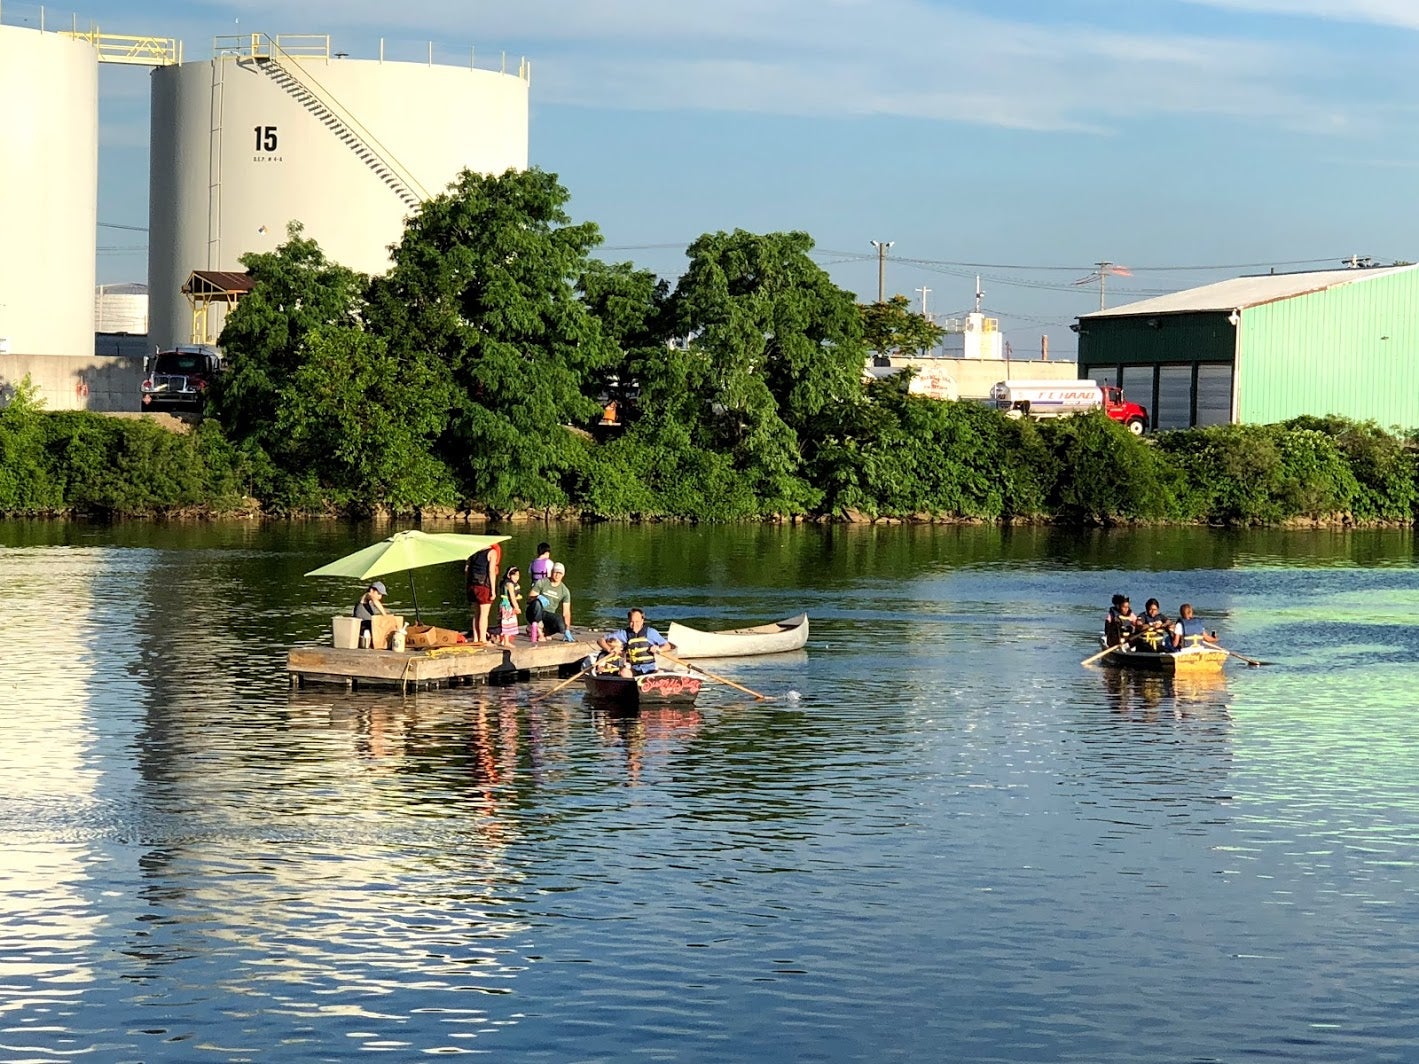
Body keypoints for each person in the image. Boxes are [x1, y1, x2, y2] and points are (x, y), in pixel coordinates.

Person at [600, 607, 674, 675]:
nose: (634, 625)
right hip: (633, 669)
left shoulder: (651, 633)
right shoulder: (624, 633)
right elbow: (600, 640)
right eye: (632, 622)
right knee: (624, 672)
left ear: (642, 621)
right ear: (628, 621)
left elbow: (668, 646)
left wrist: (659, 649)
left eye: (637, 622)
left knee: (660, 673)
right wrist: (609, 649)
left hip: (650, 669)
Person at [465, 542, 502, 645]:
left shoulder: (473, 552)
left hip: (472, 585)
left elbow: (467, 569)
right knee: (484, 614)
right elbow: (491, 571)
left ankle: (476, 638)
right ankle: (483, 640)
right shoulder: (492, 552)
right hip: (484, 586)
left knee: (476, 614)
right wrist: (493, 590)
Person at [528, 561, 575, 641]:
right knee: (537, 603)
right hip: (534, 611)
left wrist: (567, 629)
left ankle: (544, 632)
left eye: (560, 573)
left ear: (563, 575)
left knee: (561, 625)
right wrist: (538, 597)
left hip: (548, 614)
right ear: (552, 572)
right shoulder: (542, 582)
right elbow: (529, 599)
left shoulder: (564, 591)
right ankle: (538, 631)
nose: (557, 575)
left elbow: (566, 612)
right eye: (555, 572)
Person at [352, 581, 390, 647]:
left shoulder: (371, 603)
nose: (380, 597)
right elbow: (375, 600)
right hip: (363, 630)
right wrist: (385, 615)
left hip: (371, 628)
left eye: (381, 595)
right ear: (371, 590)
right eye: (378, 593)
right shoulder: (365, 597)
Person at [497, 566, 523, 647]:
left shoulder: (512, 584)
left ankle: (504, 640)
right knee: (507, 622)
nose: (516, 577)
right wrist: (517, 607)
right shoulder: (509, 584)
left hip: (508, 606)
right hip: (507, 606)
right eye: (514, 575)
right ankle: (506, 642)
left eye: (518, 575)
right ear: (509, 575)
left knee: (509, 622)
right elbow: (512, 597)